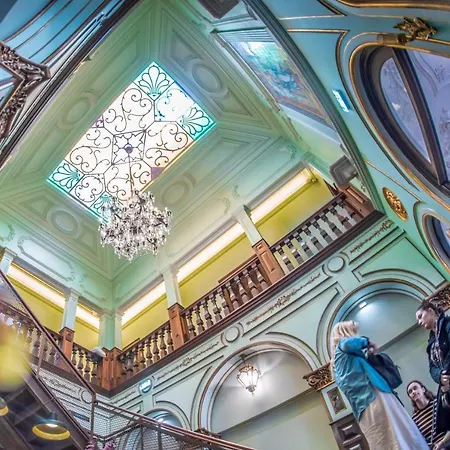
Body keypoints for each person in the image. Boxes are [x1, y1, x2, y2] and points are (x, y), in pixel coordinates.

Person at [332, 320, 428, 449]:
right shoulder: (343, 345)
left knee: (381, 439)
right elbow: (349, 343)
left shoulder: (337, 365)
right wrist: (368, 342)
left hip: (361, 407)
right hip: (375, 395)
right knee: (398, 429)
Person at [416, 301, 450, 449]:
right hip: (446, 385)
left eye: (420, 316)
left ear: (430, 311)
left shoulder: (448, 324)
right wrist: (440, 376)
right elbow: (432, 367)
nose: (419, 322)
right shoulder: (431, 341)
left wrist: (446, 372)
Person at [407, 380, 446, 448]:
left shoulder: (439, 403)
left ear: (423, 389)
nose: (413, 392)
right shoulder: (414, 420)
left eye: (415, 388)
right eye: (410, 392)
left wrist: (443, 443)